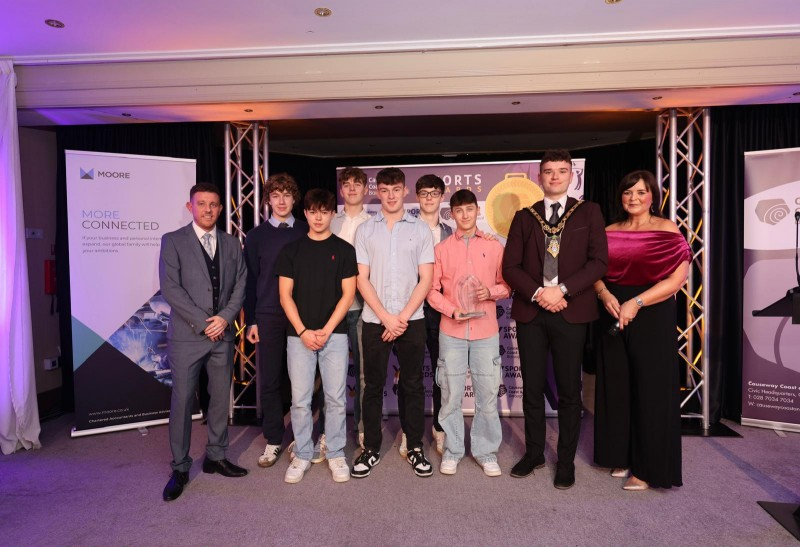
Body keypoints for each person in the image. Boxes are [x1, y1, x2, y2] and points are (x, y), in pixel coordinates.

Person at [502, 149, 608, 490]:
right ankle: (533, 453)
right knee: (531, 387)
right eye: (548, 171)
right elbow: (510, 267)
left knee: (568, 391)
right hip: (532, 311)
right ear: (539, 176)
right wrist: (539, 293)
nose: (555, 177)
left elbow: (597, 263)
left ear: (571, 175)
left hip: (570, 309)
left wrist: (561, 290)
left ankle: (565, 461)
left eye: (561, 171)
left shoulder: (589, 212)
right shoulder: (524, 216)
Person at [593, 170, 689, 491]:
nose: (633, 198)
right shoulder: (608, 231)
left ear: (652, 196)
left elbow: (676, 281)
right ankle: (619, 454)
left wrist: (636, 301)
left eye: (640, 192)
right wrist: (605, 294)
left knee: (651, 389)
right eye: (627, 193)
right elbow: (593, 271)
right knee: (616, 386)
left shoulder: (666, 229)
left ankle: (646, 469)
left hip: (651, 310)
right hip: (611, 309)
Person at [159, 182, 248, 502]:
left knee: (220, 398)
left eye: (214, 204)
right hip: (187, 336)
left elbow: (240, 284)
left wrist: (224, 318)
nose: (208, 209)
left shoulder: (231, 242)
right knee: (183, 401)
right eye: (202, 204)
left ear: (220, 208)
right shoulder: (172, 241)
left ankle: (216, 456)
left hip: (222, 333)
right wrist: (202, 323)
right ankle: (180, 467)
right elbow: (171, 289)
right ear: (190, 207)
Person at [351, 167, 435, 478]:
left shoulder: (420, 229)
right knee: (372, 386)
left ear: (404, 191)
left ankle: (414, 446)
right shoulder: (366, 230)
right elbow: (361, 278)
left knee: (412, 385)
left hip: (411, 320)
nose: (390, 195)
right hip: (375, 319)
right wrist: (386, 316)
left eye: (395, 190)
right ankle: (370, 448)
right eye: (384, 190)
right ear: (379, 191)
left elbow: (426, 278)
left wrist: (401, 318)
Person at [277, 189, 358, 484]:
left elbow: (348, 295)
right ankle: (302, 453)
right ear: (306, 214)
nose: (318, 217)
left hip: (334, 335)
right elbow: (285, 296)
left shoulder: (345, 250)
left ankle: (336, 453)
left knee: (335, 399)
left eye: (324, 211)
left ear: (332, 214)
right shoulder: (291, 251)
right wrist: (302, 331)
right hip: (298, 336)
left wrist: (326, 330)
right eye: (313, 212)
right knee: (299, 400)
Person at [427, 189, 510, 476]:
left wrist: (491, 292)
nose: (464, 215)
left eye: (469, 209)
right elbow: (431, 291)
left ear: (477, 211)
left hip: (486, 332)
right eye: (458, 211)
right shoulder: (441, 249)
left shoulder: (495, 246)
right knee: (450, 394)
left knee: (487, 394)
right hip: (451, 331)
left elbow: (507, 284)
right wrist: (451, 310)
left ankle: (486, 451)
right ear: (452, 214)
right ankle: (452, 450)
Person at [243, 173, 308, 468]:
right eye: (275, 195)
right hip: (268, 315)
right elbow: (250, 281)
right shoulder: (256, 236)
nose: (281, 201)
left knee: (301, 381)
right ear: (268, 200)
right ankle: (273, 439)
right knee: (268, 379)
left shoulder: (308, 231)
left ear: (294, 199)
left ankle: (301, 437)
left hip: (302, 316)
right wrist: (252, 321)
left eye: (286, 195)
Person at [395, 174, 453, 458]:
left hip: (442, 313)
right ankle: (409, 431)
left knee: (443, 373)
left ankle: (440, 429)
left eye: (434, 193)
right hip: (413, 311)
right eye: (424, 193)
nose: (429, 198)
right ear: (416, 197)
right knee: (410, 375)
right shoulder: (407, 230)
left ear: (442, 196)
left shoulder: (451, 233)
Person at [330, 167, 371, 449]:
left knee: (365, 373)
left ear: (366, 189)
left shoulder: (376, 224)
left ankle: (364, 429)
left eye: (358, 184)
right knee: (327, 375)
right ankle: (326, 433)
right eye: (347, 184)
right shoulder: (328, 221)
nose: (352, 188)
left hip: (363, 308)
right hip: (330, 309)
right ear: (341, 190)